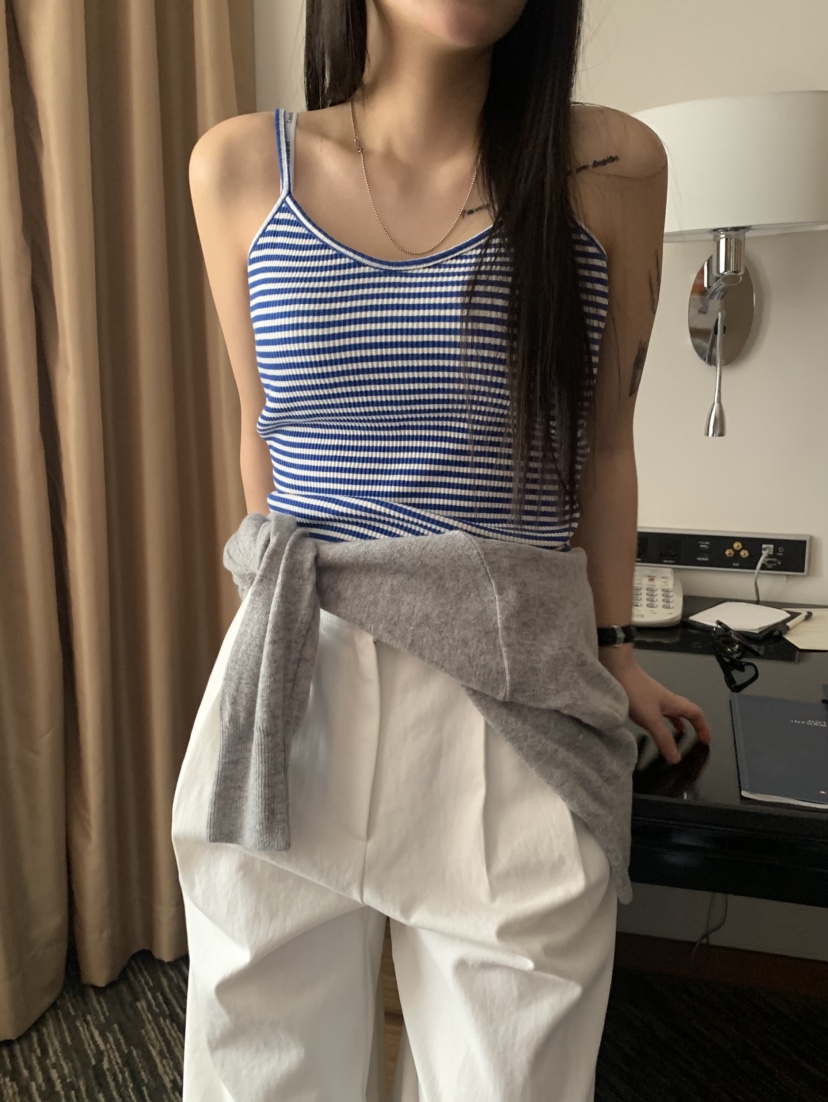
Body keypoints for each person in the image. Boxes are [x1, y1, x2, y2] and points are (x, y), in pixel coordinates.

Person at [172, 1, 711, 1099]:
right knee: (257, 1073)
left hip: (515, 696)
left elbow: (607, 444)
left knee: (512, 1074)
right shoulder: (240, 167)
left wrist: (616, 650)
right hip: (296, 680)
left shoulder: (611, 166)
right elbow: (260, 430)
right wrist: (264, 645)